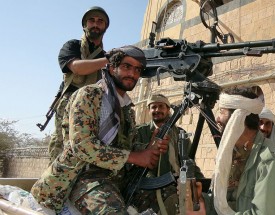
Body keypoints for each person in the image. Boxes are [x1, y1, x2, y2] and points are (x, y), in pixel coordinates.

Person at [31, 46, 169, 214]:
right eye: (127, 66)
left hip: (115, 177)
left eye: (137, 69)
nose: (132, 74)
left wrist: (150, 148)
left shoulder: (126, 108)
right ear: (111, 68)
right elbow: (83, 146)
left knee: (169, 195)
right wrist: (136, 157)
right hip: (81, 177)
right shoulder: (89, 95)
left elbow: (125, 149)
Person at [187, 87, 275, 215]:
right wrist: (204, 201)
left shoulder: (271, 162)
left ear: (238, 118)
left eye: (222, 112)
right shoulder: (236, 154)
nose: (217, 119)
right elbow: (230, 204)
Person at [48, 6, 111, 163]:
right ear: (85, 25)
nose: (95, 24)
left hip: (93, 108)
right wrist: (111, 60)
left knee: (85, 153)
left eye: (100, 21)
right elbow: (77, 68)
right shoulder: (72, 46)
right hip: (69, 104)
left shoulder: (106, 56)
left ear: (105, 27)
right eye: (91, 20)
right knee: (61, 154)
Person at [131, 94, 204, 214]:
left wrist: (199, 181)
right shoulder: (139, 132)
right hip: (147, 185)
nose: (157, 110)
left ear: (168, 109)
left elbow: (189, 162)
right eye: (153, 107)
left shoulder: (180, 134)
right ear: (149, 110)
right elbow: (133, 157)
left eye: (161, 106)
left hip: (178, 182)